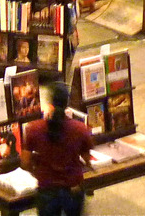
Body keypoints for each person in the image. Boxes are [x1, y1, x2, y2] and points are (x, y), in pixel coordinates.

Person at [22, 82, 93, 216]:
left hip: (47, 190)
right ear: (67, 102)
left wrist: (37, 169)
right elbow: (87, 160)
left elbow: (25, 163)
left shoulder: (33, 129)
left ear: (50, 102)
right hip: (73, 188)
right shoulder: (80, 129)